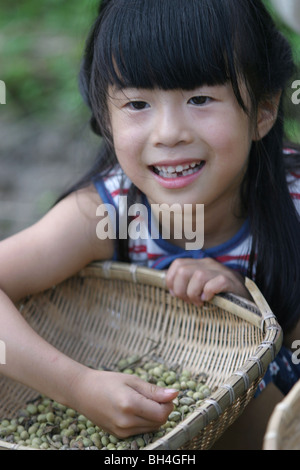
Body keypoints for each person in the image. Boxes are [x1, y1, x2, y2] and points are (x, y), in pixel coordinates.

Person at [0, 0, 299, 449]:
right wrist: (78, 387)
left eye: (200, 99)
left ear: (263, 110)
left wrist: (250, 305)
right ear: (106, 117)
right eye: (138, 103)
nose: (168, 132)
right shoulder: (110, 211)